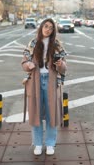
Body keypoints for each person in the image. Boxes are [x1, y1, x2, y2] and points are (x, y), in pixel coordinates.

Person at [21, 18, 67, 156]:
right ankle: (38, 144)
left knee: (51, 114)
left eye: (51, 28)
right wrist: (28, 65)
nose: (48, 29)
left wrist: (60, 65)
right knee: (36, 113)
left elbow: (64, 68)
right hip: (35, 81)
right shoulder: (33, 43)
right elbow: (24, 62)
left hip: (52, 81)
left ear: (53, 31)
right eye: (46, 26)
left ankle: (50, 143)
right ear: (41, 27)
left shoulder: (57, 45)